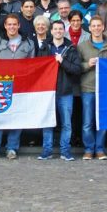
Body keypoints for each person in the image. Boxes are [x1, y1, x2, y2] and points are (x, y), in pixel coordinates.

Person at [0, 15, 35, 159]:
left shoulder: (28, 43)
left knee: (16, 117)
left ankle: (12, 148)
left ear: (19, 25)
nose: (12, 27)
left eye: (15, 24)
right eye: (9, 24)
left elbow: (32, 66)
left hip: (20, 86)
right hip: (0, 85)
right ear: (5, 26)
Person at [37, 19, 81, 161]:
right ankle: (47, 150)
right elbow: (38, 68)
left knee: (66, 123)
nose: (58, 31)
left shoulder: (71, 48)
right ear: (51, 31)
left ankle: (65, 151)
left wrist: (62, 62)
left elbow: (76, 69)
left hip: (65, 91)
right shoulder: (44, 48)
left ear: (64, 31)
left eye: (60, 29)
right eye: (55, 29)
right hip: (48, 91)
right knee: (47, 122)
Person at [77, 16, 107, 160]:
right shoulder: (82, 46)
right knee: (87, 122)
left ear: (103, 27)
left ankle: (100, 149)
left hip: (105, 89)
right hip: (88, 88)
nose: (96, 28)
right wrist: (87, 64)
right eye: (93, 26)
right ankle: (89, 149)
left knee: (102, 121)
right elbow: (77, 67)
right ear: (89, 28)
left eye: (98, 26)